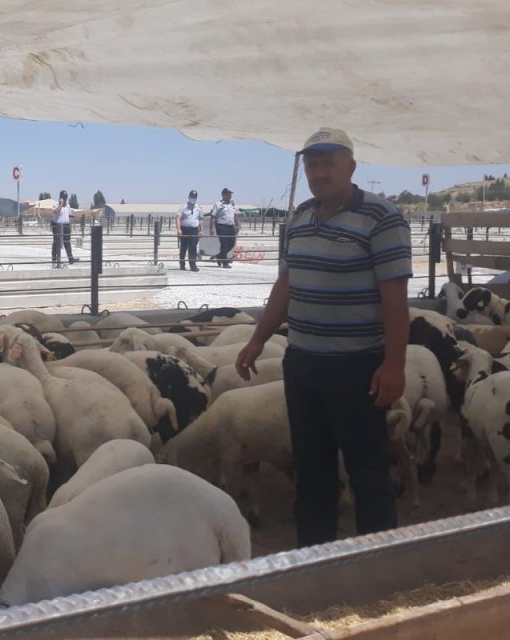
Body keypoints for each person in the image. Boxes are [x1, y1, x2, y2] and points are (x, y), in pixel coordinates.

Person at [234, 127, 411, 548]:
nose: (319, 172)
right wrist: (259, 339)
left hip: (357, 366)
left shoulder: (382, 218)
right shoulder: (298, 220)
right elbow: (286, 285)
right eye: (312, 164)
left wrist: (394, 364)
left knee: (367, 468)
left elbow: (394, 297)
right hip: (303, 363)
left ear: (350, 166)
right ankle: (315, 555)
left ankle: (377, 559)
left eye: (328, 162)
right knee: (311, 467)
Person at [208, 188, 240, 268]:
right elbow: (213, 216)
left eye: (230, 194)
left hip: (230, 226)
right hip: (221, 226)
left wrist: (238, 224)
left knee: (232, 243)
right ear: (223, 195)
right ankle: (225, 263)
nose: (230, 196)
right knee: (224, 244)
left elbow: (235, 215)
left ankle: (219, 256)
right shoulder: (218, 204)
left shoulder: (232, 204)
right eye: (228, 194)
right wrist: (212, 228)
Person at [51, 190, 78, 267]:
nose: (65, 199)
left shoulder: (68, 206)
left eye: (65, 198)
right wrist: (61, 204)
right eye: (63, 198)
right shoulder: (56, 204)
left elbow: (69, 216)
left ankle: (70, 258)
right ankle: (54, 259)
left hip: (66, 225)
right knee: (56, 242)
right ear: (60, 197)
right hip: (57, 225)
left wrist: (70, 225)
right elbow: (56, 212)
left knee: (67, 242)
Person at [176, 189, 202, 271]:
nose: (193, 198)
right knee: (183, 247)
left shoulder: (199, 208)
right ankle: (182, 264)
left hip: (194, 230)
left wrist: (201, 230)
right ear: (189, 197)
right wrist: (179, 229)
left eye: (194, 197)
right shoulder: (183, 207)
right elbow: (178, 218)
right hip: (184, 229)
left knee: (193, 247)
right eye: (192, 196)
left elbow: (201, 219)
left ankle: (193, 265)